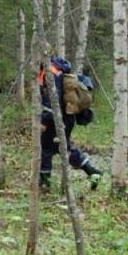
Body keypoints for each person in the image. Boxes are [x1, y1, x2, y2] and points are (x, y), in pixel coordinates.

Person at [38, 56, 103, 191]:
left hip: (56, 118)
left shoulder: (49, 72)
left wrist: (44, 121)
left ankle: (44, 184)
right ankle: (93, 172)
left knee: (46, 148)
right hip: (66, 117)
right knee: (63, 147)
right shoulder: (57, 69)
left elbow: (51, 100)